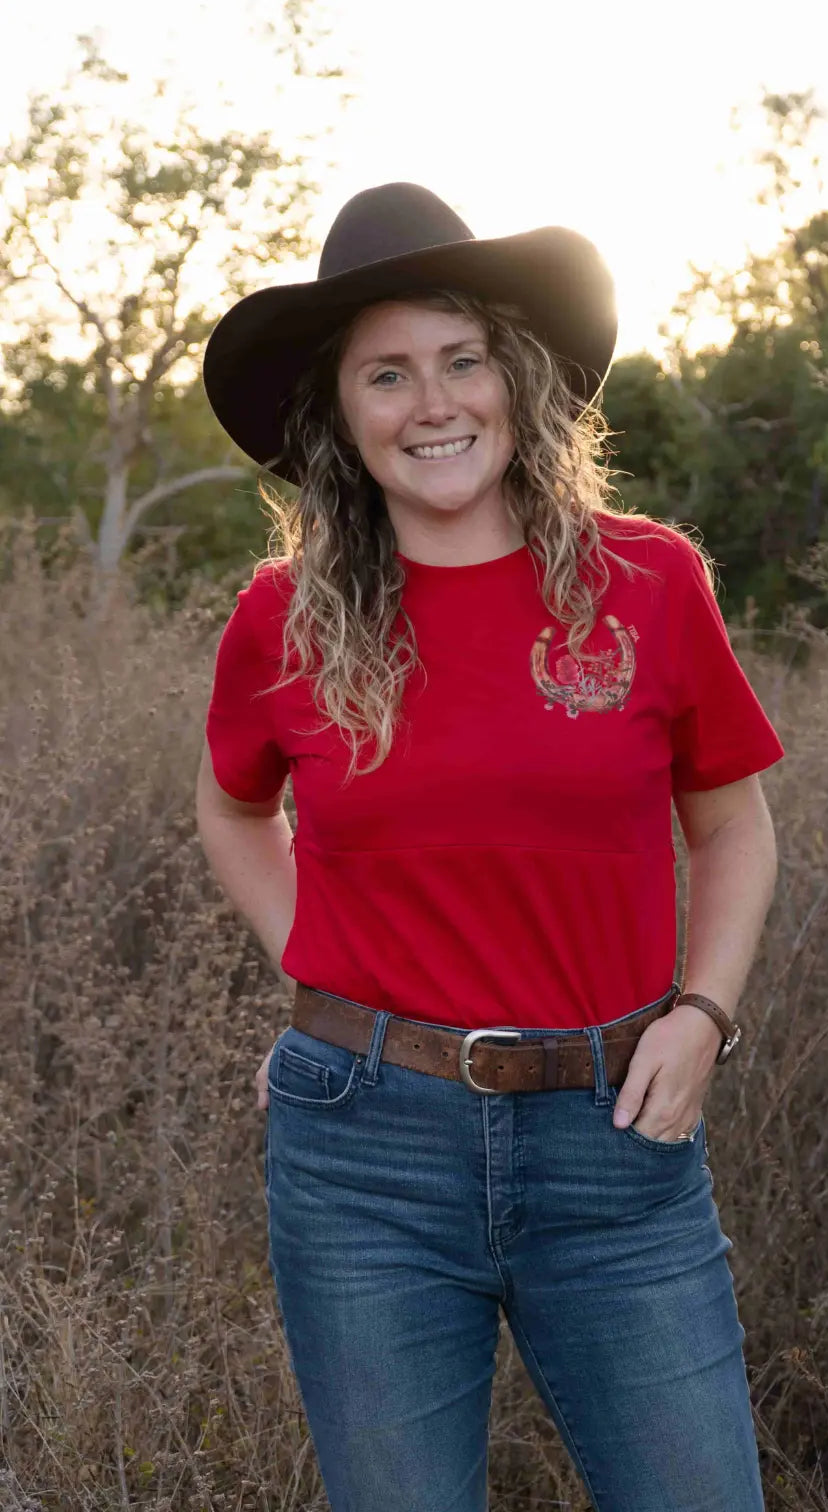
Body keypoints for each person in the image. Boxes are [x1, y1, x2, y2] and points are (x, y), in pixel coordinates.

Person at [196, 182, 784, 1512]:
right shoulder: (284, 618)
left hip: (616, 1140)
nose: (433, 404)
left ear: (518, 379)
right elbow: (232, 809)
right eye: (387, 374)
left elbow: (733, 823)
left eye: (462, 360)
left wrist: (704, 1016)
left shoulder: (649, 581)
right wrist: (321, 971)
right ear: (340, 415)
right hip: (364, 1157)